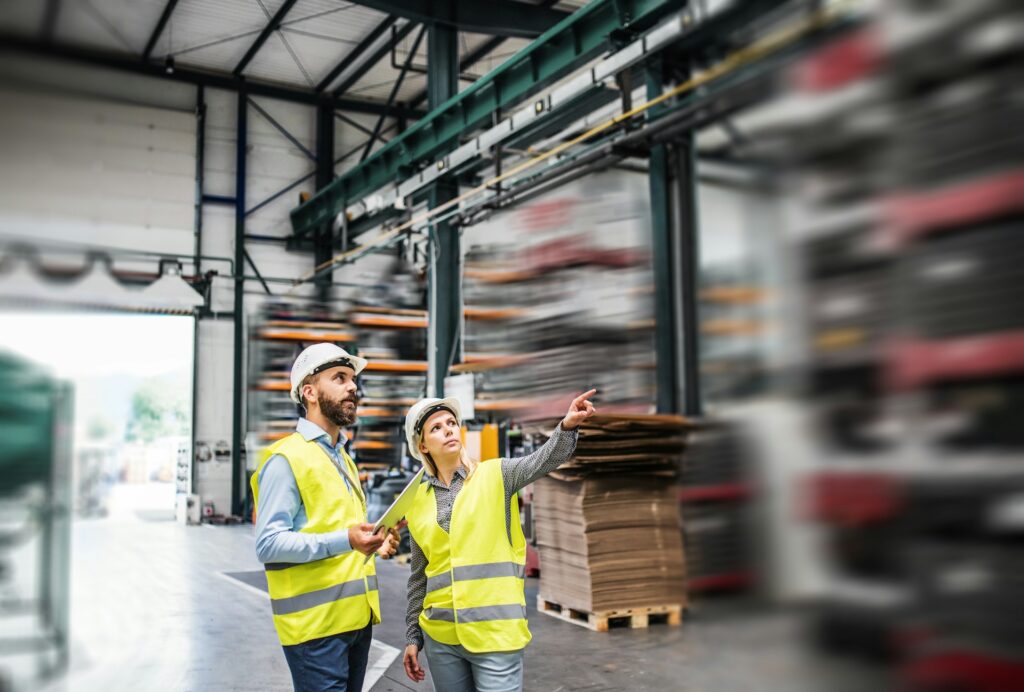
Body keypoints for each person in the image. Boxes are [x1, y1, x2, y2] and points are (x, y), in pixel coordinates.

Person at [401, 390, 597, 691]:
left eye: (451, 422)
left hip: (495, 633)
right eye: (436, 427)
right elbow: (419, 575)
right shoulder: (417, 503)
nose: (448, 430)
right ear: (423, 445)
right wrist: (413, 636)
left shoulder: (497, 475)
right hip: (442, 637)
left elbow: (541, 461)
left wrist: (567, 426)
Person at [251, 343, 400, 692]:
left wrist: (372, 543)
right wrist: (347, 539)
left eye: (352, 379)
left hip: (355, 621)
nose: (353, 387)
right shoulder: (286, 459)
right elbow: (268, 544)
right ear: (310, 392)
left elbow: (337, 527)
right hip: (315, 630)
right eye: (339, 378)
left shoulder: (342, 457)